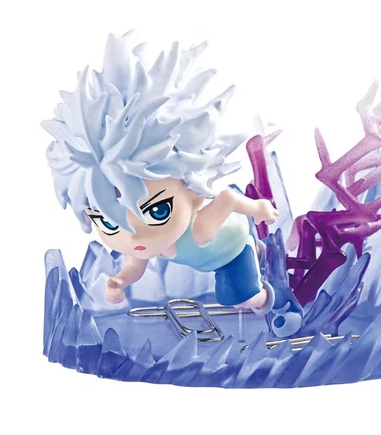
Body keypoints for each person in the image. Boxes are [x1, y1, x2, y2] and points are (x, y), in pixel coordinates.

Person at [42, 31, 303, 338]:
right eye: (108, 222)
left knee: (238, 296)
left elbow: (228, 200)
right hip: (212, 252)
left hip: (231, 251)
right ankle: (259, 253)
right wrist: (120, 281)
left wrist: (259, 208)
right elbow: (136, 265)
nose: (134, 234)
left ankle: (276, 296)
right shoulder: (141, 242)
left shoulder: (201, 228)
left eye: (158, 211)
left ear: (193, 193)